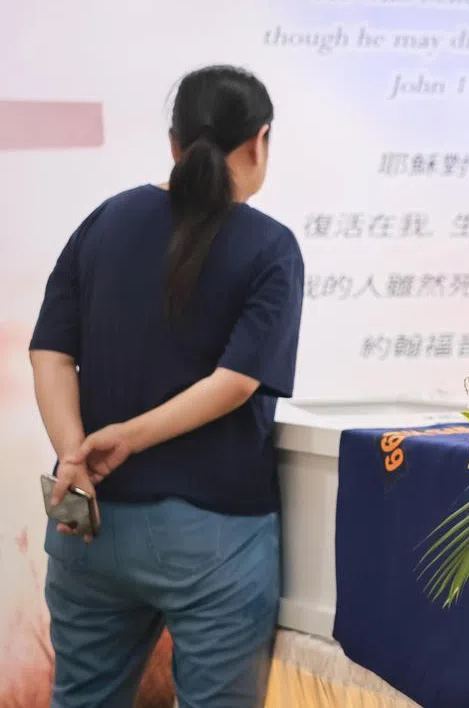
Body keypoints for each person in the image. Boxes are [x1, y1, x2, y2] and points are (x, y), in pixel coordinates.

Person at [29, 65, 304, 708]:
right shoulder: (270, 247)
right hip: (214, 536)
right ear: (259, 141)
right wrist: (130, 437)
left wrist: (74, 454)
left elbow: (49, 353)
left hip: (87, 517)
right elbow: (235, 383)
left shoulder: (105, 221)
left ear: (174, 141)